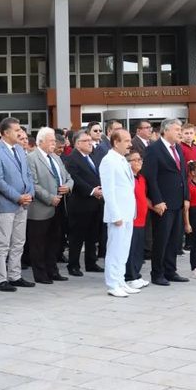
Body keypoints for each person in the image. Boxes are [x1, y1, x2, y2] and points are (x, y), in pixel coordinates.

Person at [0, 117, 35, 292]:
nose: (20, 133)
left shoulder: (20, 150)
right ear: (6, 133)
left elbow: (28, 174)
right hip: (5, 205)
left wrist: (30, 193)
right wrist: (18, 197)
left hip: (23, 204)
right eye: (17, 130)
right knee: (2, 244)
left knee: (18, 242)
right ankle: (0, 279)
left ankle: (15, 275)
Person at [140, 118, 188, 286]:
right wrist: (157, 200)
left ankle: (170, 270)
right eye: (176, 129)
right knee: (162, 239)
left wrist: (185, 197)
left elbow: (182, 174)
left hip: (178, 201)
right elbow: (150, 177)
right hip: (163, 203)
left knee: (174, 239)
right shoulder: (154, 149)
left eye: (180, 129)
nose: (179, 132)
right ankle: (157, 273)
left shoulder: (178, 148)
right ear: (165, 131)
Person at [27, 127, 73, 285]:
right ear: (41, 141)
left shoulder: (56, 157)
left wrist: (68, 186)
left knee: (55, 240)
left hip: (59, 205)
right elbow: (33, 183)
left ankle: (52, 270)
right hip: (41, 207)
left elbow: (68, 177)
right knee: (39, 242)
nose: (55, 143)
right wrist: (49, 198)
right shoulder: (32, 158)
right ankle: (40, 274)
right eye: (52, 140)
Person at [99, 130, 138, 297]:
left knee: (124, 249)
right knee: (115, 249)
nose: (130, 144)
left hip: (128, 212)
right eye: (126, 141)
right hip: (118, 214)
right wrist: (115, 215)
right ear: (116, 142)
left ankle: (121, 280)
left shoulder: (121, 159)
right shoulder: (108, 161)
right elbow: (108, 191)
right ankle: (113, 283)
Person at [63, 131, 104, 278]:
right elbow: (75, 179)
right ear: (78, 144)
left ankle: (91, 262)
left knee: (92, 235)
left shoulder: (91, 157)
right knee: (77, 237)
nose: (90, 143)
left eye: (90, 140)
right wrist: (92, 191)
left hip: (95, 203)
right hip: (80, 204)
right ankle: (73, 265)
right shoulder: (72, 159)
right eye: (86, 140)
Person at [124, 151, 150, 291]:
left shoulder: (141, 178)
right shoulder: (128, 179)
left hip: (142, 218)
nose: (139, 162)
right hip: (131, 218)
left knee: (139, 249)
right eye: (135, 160)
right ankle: (129, 276)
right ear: (128, 163)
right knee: (131, 249)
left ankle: (136, 274)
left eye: (140, 159)